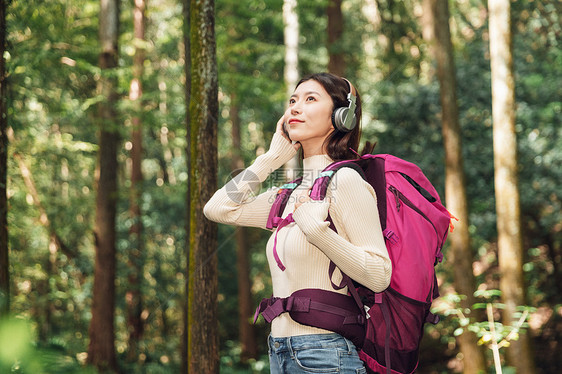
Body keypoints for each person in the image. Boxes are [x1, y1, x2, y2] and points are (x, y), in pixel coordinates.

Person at [204, 73, 391, 373]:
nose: (295, 107)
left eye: (310, 99)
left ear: (340, 118)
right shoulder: (290, 191)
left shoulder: (346, 180)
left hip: (326, 355)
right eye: (292, 100)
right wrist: (272, 157)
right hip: (279, 352)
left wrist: (319, 232)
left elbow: (380, 274)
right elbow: (218, 208)